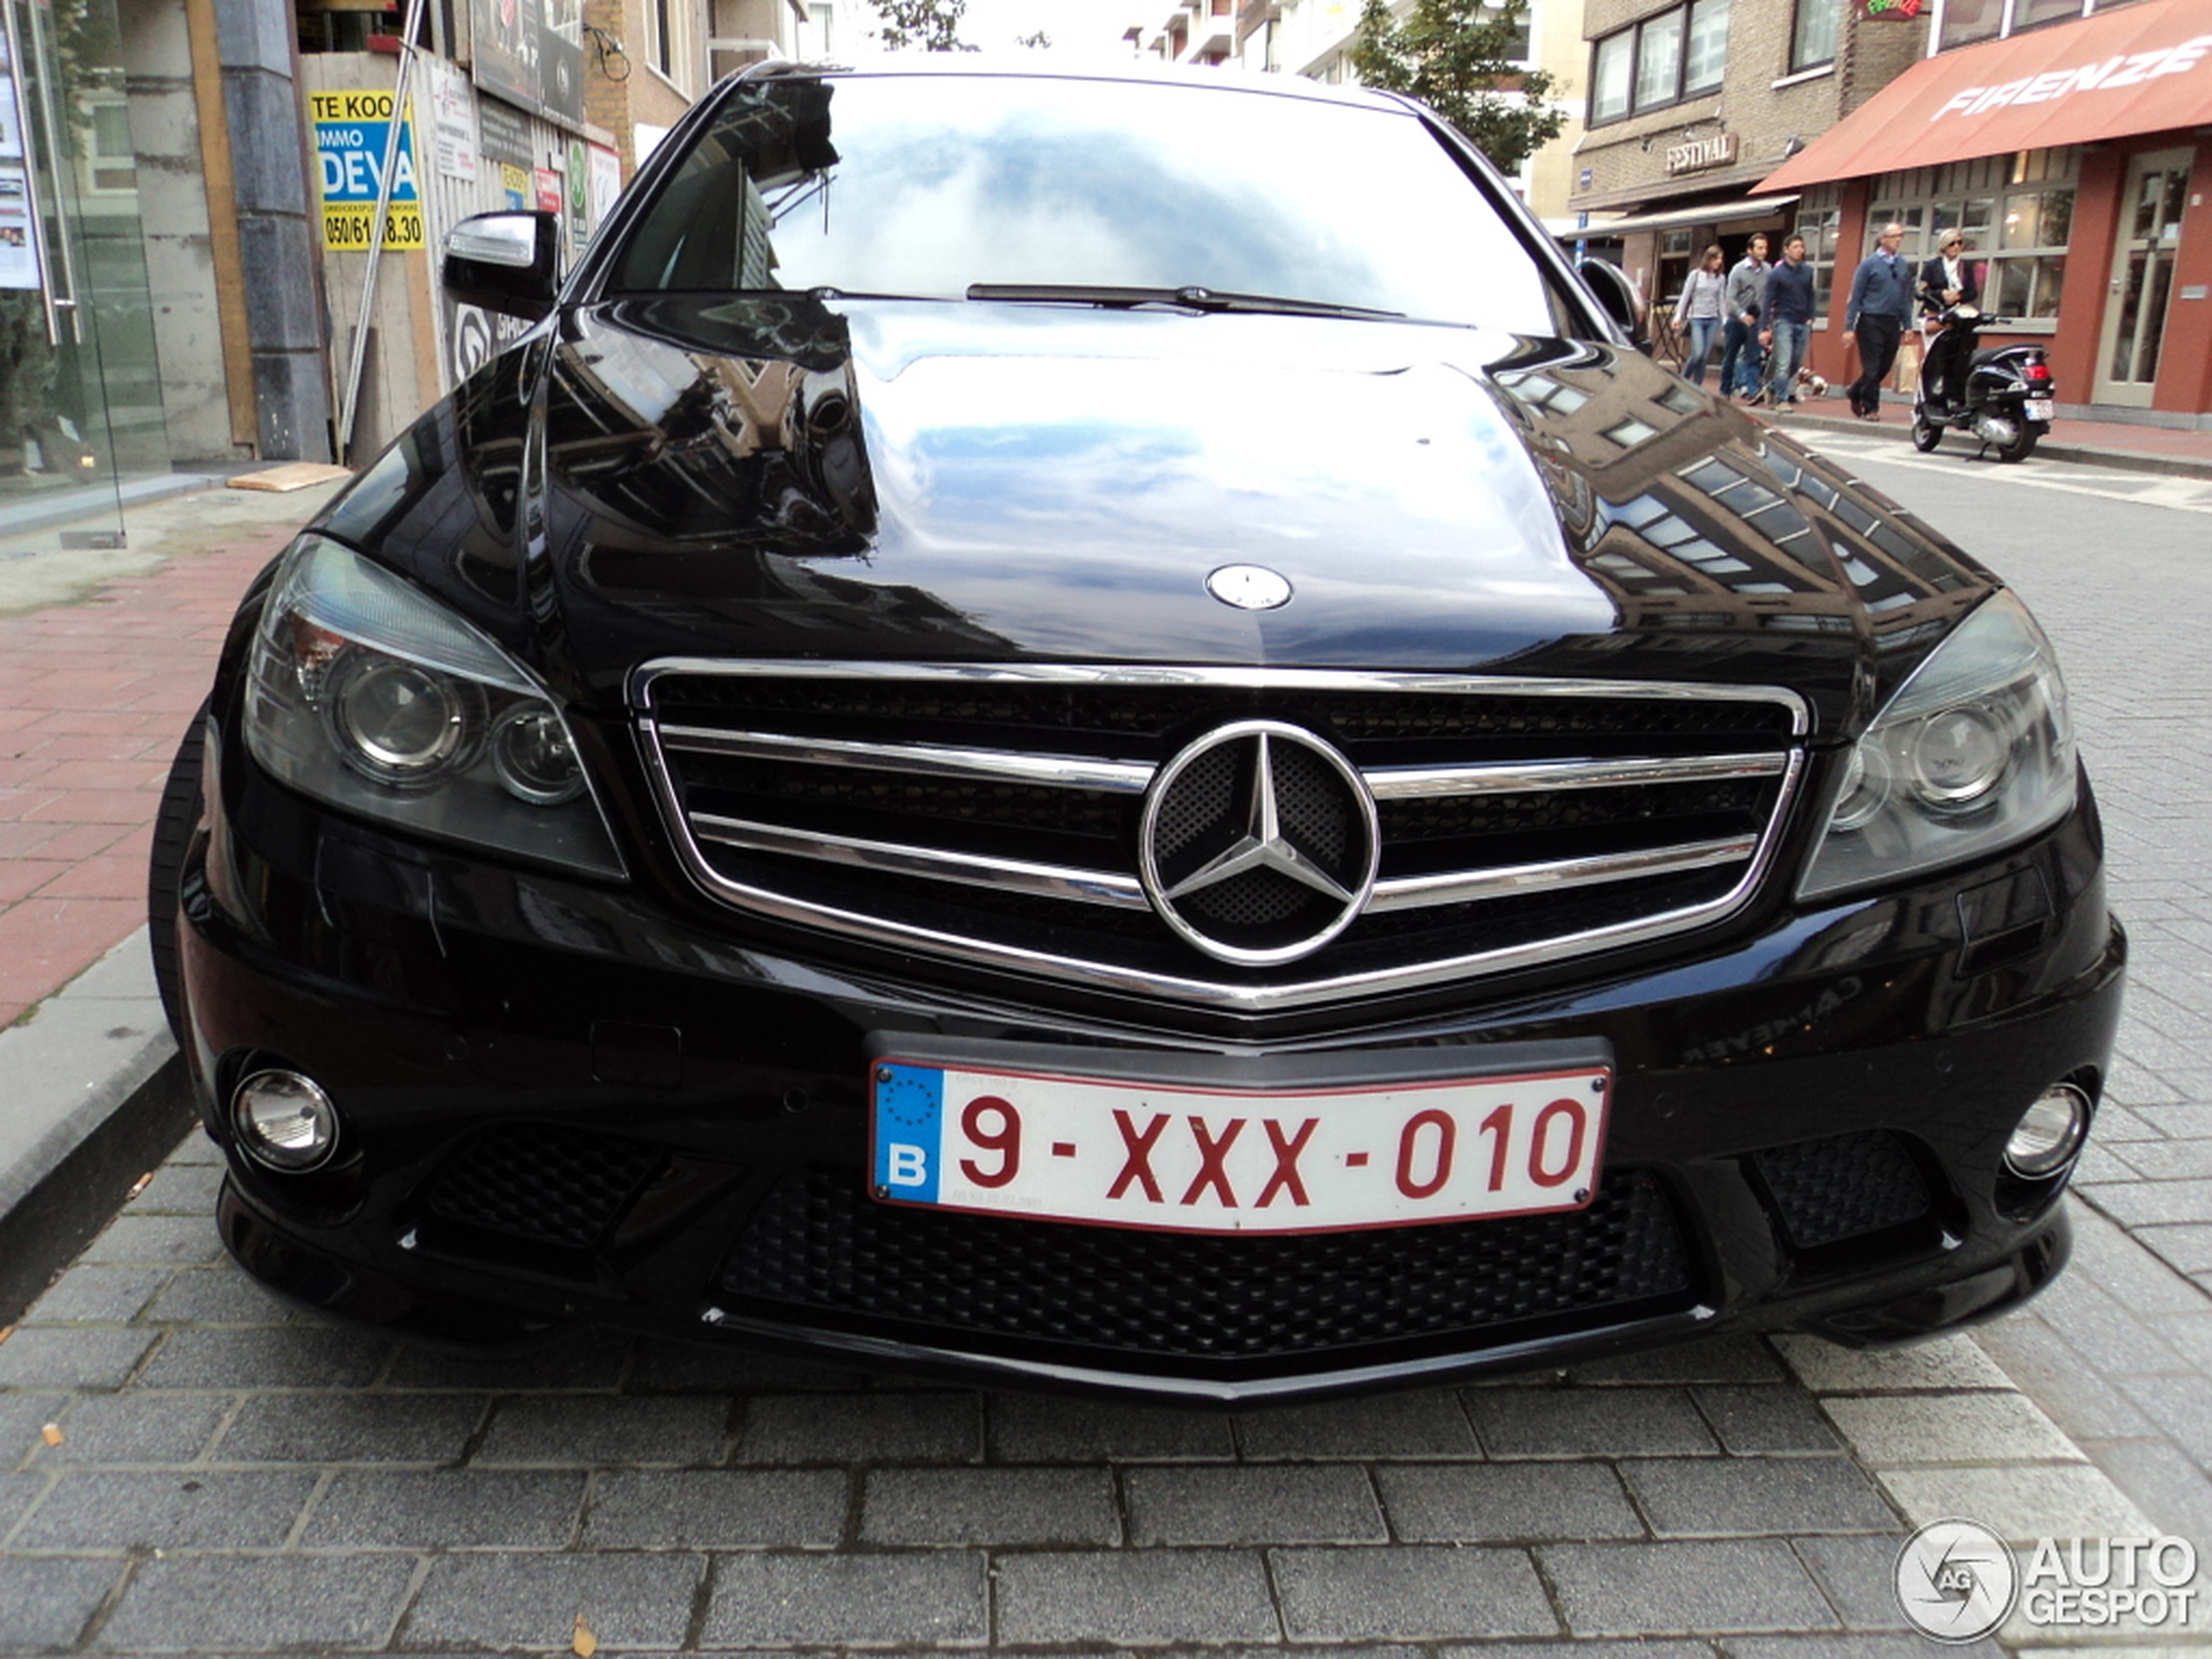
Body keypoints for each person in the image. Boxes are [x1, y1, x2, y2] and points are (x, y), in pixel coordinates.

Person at [1841, 221, 1914, 421]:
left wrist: (1908, 325)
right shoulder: (1868, 265)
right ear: (1883, 239)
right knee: (1871, 367)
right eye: (1895, 235)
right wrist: (1848, 328)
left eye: (1901, 235)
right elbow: (1855, 297)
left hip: (1893, 321)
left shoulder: (1901, 264)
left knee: (1884, 366)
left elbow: (1905, 296)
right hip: (1871, 320)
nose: (1899, 239)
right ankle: (1871, 407)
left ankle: (1855, 390)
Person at [1917, 230, 1980, 416]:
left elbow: (1973, 292)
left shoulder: (1965, 267)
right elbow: (1920, 292)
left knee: (1956, 357)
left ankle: (1952, 396)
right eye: (1953, 243)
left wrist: (1959, 296)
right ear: (1944, 246)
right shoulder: (1932, 266)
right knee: (1933, 357)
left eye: (1960, 243)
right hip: (1935, 315)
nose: (1957, 247)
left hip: (1957, 317)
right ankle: (1925, 398)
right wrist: (1941, 294)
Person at [1757, 233, 1815, 408]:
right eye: (1795, 247)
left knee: (1795, 363)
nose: (1799, 250)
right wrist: (1764, 327)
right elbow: (1768, 300)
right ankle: (1781, 400)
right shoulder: (1777, 274)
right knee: (1783, 362)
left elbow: (1811, 295)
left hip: (1802, 321)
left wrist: (1811, 316)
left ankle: (1772, 387)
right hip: (1783, 320)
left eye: (1801, 247)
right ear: (1786, 250)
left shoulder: (1807, 271)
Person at [1719, 234, 1769, 401]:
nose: (1763, 251)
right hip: (1736, 320)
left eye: (1765, 248)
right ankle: (1725, 389)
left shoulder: (1768, 270)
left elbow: (1769, 296)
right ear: (1750, 250)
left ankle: (1753, 391)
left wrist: (1766, 321)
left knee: (1753, 355)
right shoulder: (1738, 270)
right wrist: (1741, 315)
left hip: (1756, 320)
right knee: (1731, 357)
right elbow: (1730, 297)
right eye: (1759, 248)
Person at [1672, 244, 1728, 388]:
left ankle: (1697, 386)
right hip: (1697, 318)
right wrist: (1679, 315)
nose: (1718, 262)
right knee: (1698, 353)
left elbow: (1721, 300)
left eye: (1720, 259)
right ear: (1708, 259)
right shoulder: (1695, 275)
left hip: (1713, 319)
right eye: (1716, 258)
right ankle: (1684, 379)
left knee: (1704, 357)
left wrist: (1725, 320)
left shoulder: (1720, 278)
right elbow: (1685, 296)